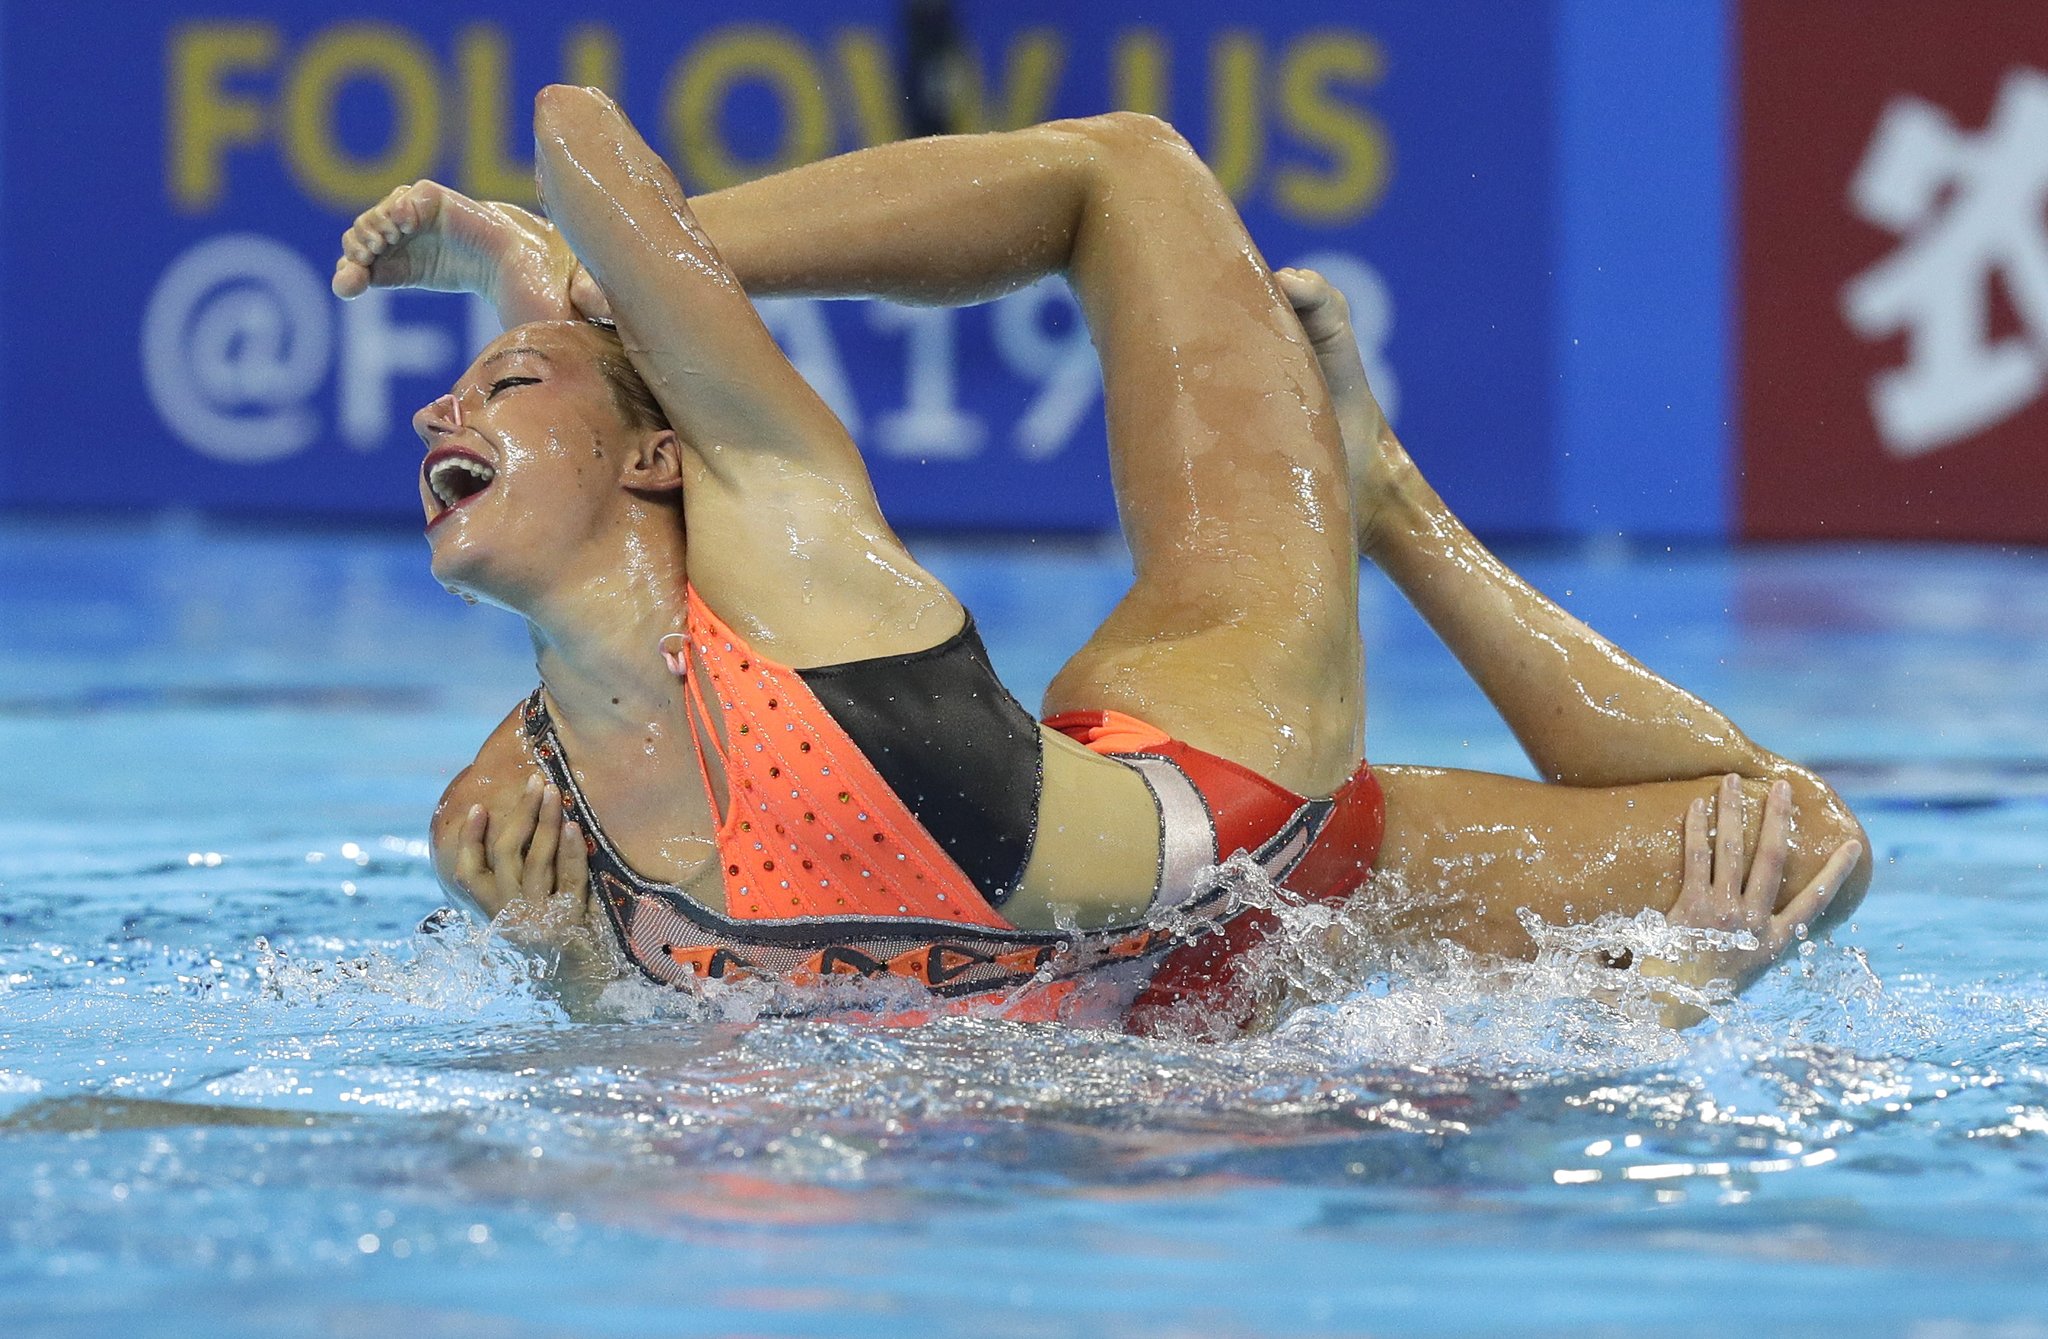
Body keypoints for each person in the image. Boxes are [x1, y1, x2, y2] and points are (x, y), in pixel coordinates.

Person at [332, 89, 1868, 1033]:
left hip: (1242, 812)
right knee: (1781, 845)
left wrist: (566, 286)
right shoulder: (510, 819)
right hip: (1142, 1024)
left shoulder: (792, 554)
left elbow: (577, 134)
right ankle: (1372, 490)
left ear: (659, 457)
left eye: (502, 383)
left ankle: (1384, 500)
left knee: (1796, 850)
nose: (435, 405)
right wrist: (553, 966)